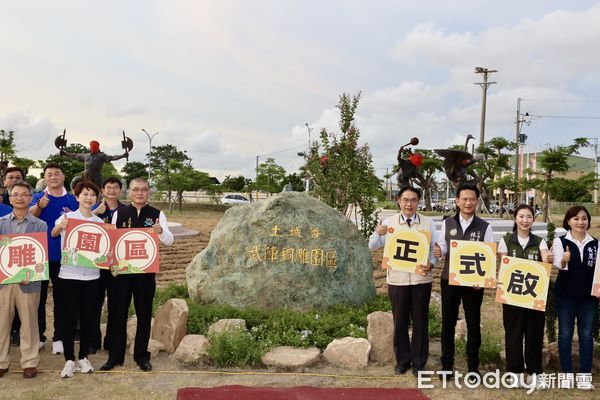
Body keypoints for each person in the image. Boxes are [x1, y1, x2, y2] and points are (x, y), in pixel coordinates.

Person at [100, 178, 173, 372]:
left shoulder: (157, 214)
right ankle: (115, 356)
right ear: (129, 192)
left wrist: (161, 231)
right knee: (117, 315)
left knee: (143, 314)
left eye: (144, 190)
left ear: (149, 192)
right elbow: (111, 240)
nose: (140, 193)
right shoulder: (118, 213)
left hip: (145, 274)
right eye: (136, 190)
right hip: (122, 274)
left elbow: (169, 241)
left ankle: (142, 356)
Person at [368, 187, 437, 376]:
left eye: (413, 200)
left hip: (421, 280)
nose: (409, 204)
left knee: (420, 321)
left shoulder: (428, 223)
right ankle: (403, 360)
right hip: (397, 280)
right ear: (399, 201)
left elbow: (434, 250)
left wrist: (431, 264)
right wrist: (378, 233)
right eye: (405, 200)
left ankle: (419, 362)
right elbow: (372, 245)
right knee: (400, 321)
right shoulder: (389, 223)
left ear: (418, 202)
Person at [433, 183, 493, 381]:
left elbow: (488, 256)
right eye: (464, 199)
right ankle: (447, 365)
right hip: (449, 279)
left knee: (473, 323)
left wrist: (482, 279)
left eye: (472, 199)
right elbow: (442, 249)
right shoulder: (447, 223)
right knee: (448, 323)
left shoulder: (485, 226)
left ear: (477, 201)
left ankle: (473, 367)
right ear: (457, 201)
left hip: (474, 283)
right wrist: (438, 252)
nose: (468, 202)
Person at [51, 181, 103, 378]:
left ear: (96, 198)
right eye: (85, 194)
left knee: (89, 317)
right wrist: (60, 226)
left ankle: (83, 357)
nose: (89, 198)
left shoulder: (99, 223)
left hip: (92, 277)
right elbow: (54, 233)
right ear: (77, 196)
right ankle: (69, 359)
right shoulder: (68, 217)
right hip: (68, 276)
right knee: (69, 318)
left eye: (92, 195)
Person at [497, 204, 553, 383]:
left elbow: (545, 258)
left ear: (533, 219)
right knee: (513, 333)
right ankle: (515, 371)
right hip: (512, 295)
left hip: (534, 296)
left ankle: (534, 371)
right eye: (521, 216)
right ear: (515, 218)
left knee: (534, 333)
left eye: (529, 217)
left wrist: (548, 259)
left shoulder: (539, 241)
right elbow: (503, 263)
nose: (525, 220)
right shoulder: (506, 240)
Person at [29, 163, 79, 354]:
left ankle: (59, 336)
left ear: (63, 177)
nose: (53, 177)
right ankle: (39, 336)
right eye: (49, 174)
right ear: (44, 178)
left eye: (57, 174)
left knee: (62, 299)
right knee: (38, 299)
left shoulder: (72, 200)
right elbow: (28, 215)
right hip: (40, 256)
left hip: (64, 257)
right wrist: (38, 207)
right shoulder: (37, 197)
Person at [0, 182, 47, 379]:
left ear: (30, 198)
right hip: (4, 282)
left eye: (24, 195)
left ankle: (29, 362)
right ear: (9, 199)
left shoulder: (40, 224)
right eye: (15, 194)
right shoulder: (1, 223)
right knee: (2, 323)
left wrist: (33, 273)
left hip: (30, 283)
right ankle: (2, 362)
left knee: (29, 323)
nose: (20, 198)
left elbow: (40, 256)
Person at [551, 205, 599, 388]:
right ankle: (567, 376)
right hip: (565, 297)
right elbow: (558, 266)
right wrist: (563, 259)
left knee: (586, 336)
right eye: (576, 218)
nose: (580, 222)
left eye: (584, 218)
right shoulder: (560, 241)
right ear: (568, 221)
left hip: (588, 298)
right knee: (565, 335)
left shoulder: (596, 243)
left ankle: (585, 377)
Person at [90, 177, 126, 353]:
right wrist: (94, 214)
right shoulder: (92, 209)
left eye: (115, 187)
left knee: (116, 303)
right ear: (102, 190)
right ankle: (93, 341)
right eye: (108, 187)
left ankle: (112, 341)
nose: (111, 190)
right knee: (94, 303)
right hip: (95, 263)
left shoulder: (127, 210)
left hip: (117, 264)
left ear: (120, 190)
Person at [1, 167, 24, 346]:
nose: (14, 180)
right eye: (11, 178)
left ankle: (16, 332)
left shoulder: (24, 209)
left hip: (19, 262)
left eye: (18, 177)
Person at [60, 140, 128, 189]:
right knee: (76, 180)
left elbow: (112, 157)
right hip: (86, 175)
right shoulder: (86, 155)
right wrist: (65, 153)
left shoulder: (102, 156)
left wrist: (122, 155)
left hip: (97, 176)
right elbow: (74, 156)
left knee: (97, 189)